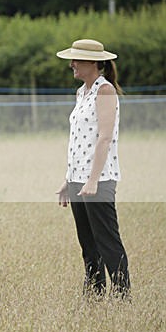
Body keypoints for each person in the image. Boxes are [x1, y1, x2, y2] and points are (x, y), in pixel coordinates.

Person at [55, 39, 131, 301]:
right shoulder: (81, 92)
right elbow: (77, 139)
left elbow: (104, 137)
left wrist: (93, 180)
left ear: (94, 63)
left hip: (99, 180)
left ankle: (122, 297)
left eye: (76, 60)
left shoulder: (105, 91)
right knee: (88, 245)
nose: (72, 65)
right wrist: (69, 180)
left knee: (108, 242)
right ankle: (94, 297)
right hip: (78, 180)